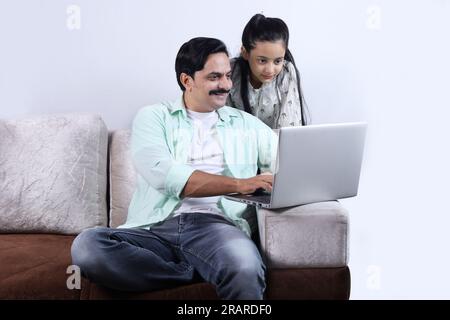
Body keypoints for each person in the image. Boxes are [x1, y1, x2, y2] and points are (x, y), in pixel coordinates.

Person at [71, 37, 278, 300]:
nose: (226, 85)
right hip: (154, 229)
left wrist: (280, 178)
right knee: (88, 247)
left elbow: (288, 163)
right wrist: (240, 184)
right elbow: (166, 176)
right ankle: (195, 270)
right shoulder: (154, 117)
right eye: (214, 77)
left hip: (217, 228)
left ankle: (208, 266)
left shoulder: (246, 125)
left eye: (227, 75)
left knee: (244, 266)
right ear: (187, 80)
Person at [227, 13, 309, 128]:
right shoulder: (229, 72)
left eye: (277, 61)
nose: (270, 70)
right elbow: (224, 123)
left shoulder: (286, 72)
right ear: (245, 52)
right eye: (262, 61)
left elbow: (290, 127)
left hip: (276, 144)